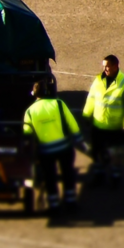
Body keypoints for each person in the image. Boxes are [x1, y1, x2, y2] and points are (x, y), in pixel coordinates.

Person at [23, 78, 80, 207]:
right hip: (64, 148)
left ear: (34, 94)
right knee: (67, 174)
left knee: (50, 177)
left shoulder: (30, 111)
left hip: (46, 151)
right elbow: (72, 123)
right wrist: (78, 139)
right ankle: (70, 201)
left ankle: (53, 205)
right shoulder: (59, 104)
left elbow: (27, 134)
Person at [83, 55, 124, 187]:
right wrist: (86, 114)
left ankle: (115, 177)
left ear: (115, 66)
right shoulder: (98, 80)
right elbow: (91, 98)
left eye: (107, 66)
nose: (104, 69)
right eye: (103, 66)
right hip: (98, 124)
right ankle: (98, 176)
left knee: (115, 154)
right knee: (96, 152)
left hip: (114, 126)